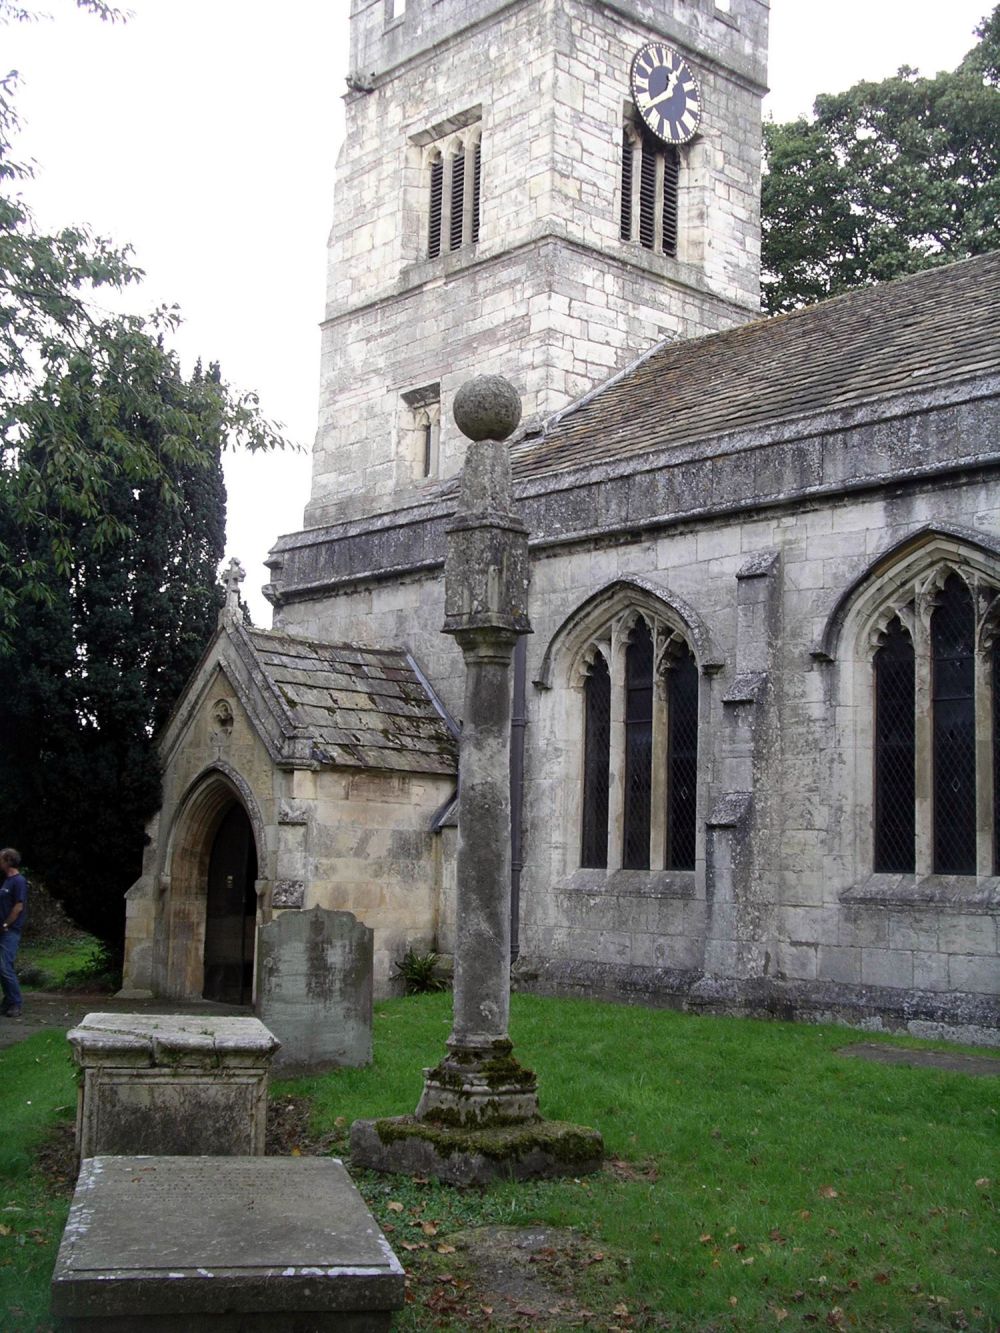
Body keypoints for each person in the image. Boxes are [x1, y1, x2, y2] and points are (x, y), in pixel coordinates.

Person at [0, 847, 28, 1018]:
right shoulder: (6, 881)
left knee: (4, 966)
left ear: (8, 860)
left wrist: (5, 924)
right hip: (3, 929)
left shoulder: (18, 881)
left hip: (10, 931)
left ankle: (15, 1002)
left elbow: (18, 906)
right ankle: (9, 1001)